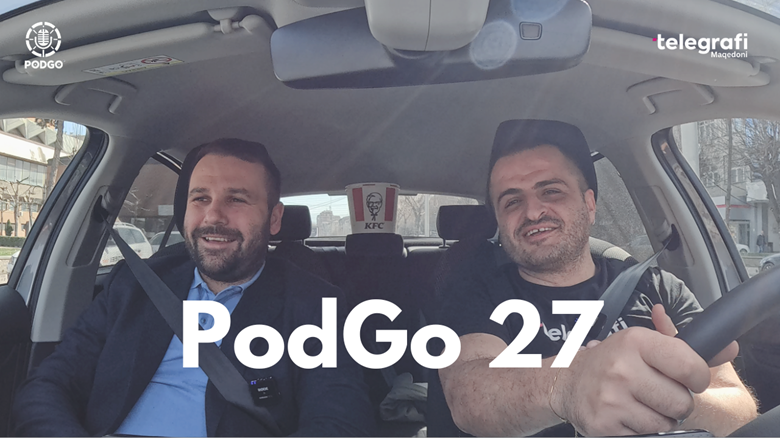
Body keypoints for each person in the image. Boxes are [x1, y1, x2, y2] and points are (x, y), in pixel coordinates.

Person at [13, 138, 375, 437]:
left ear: (274, 218)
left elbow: (341, 422)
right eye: (200, 198)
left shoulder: (315, 304)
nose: (213, 216)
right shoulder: (135, 283)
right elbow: (47, 386)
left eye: (236, 199)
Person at [428, 120, 758, 437]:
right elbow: (469, 397)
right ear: (499, 222)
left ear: (589, 204)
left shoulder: (659, 289)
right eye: (512, 201)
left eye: (551, 191)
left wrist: (670, 400)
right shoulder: (474, 292)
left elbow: (741, 414)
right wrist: (568, 383)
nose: (532, 212)